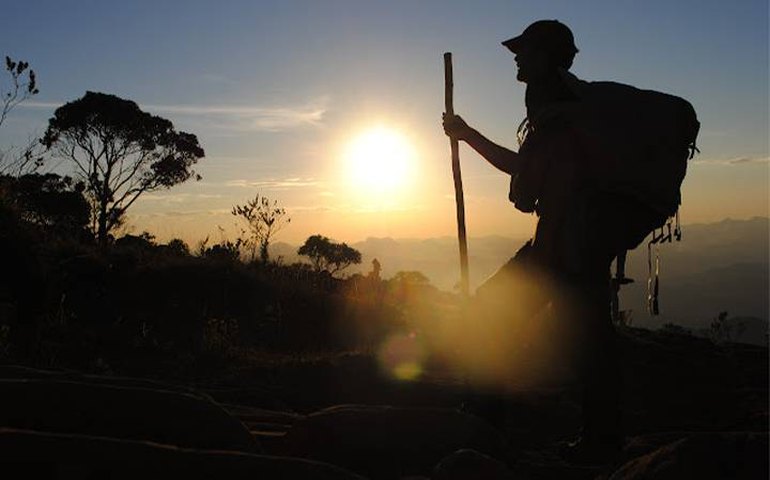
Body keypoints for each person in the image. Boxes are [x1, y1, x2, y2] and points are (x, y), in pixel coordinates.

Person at [443, 19, 663, 464]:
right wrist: (469, 136)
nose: (517, 58)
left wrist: (471, 139)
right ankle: (601, 442)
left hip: (562, 247)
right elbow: (532, 169)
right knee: (591, 345)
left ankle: (485, 426)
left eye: (525, 51)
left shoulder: (554, 103)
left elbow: (529, 180)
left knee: (492, 318)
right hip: (580, 245)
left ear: (546, 55)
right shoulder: (571, 103)